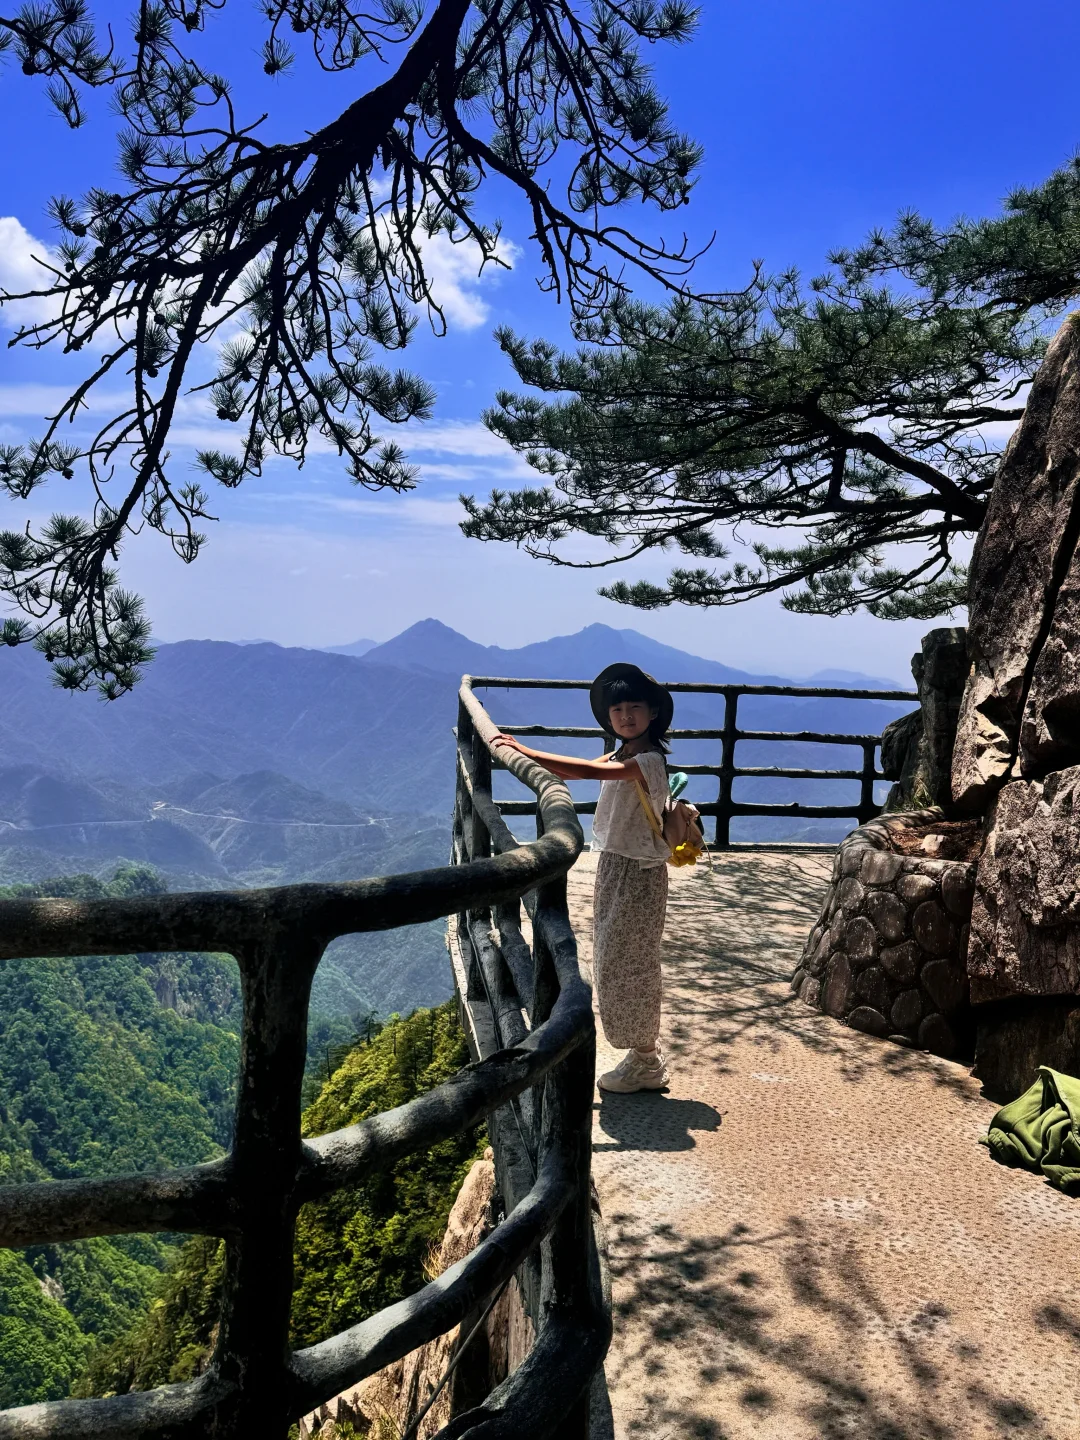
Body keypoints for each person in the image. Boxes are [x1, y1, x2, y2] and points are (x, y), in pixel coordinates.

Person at [491, 663, 673, 1094]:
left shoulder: (646, 760)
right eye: (618, 709)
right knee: (614, 958)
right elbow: (576, 770)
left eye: (635, 708)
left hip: (639, 872)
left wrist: (525, 752)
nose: (625, 715)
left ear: (652, 714)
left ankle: (646, 1059)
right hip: (618, 864)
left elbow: (592, 774)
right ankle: (642, 1053)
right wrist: (521, 752)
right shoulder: (623, 754)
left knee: (629, 962)